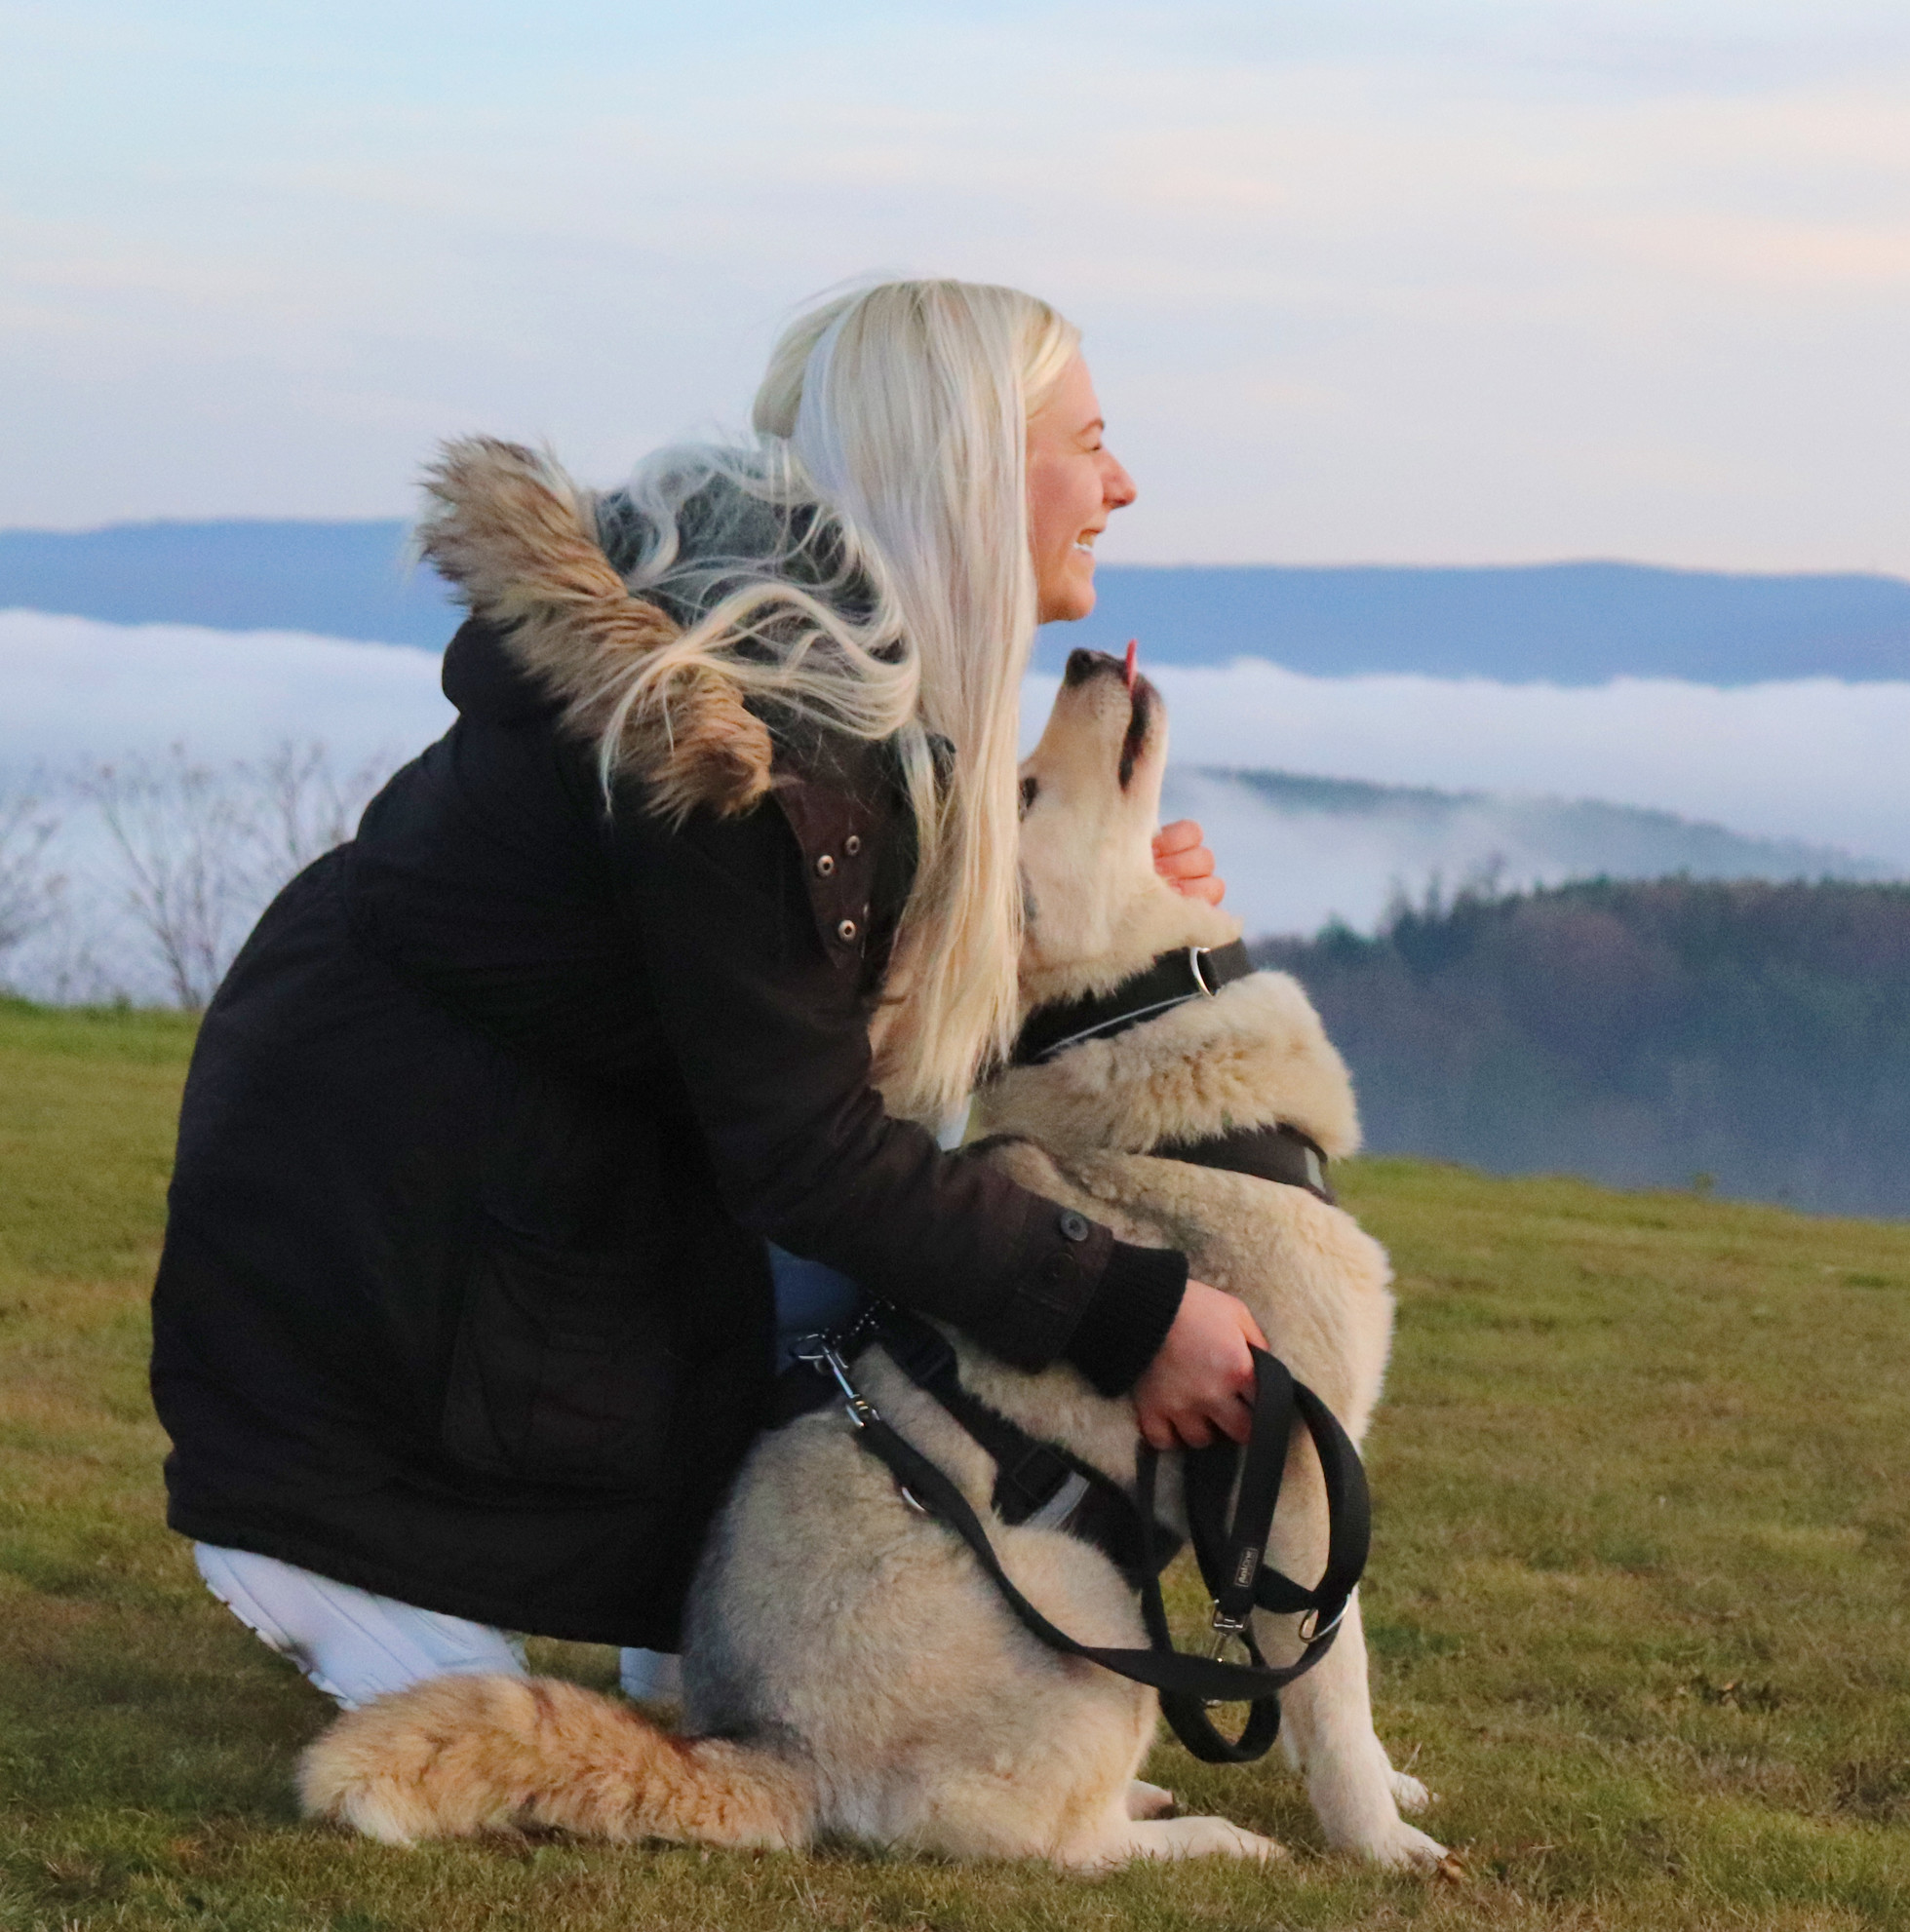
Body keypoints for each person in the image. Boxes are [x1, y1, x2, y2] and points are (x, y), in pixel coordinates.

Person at [151, 278, 1266, 1712]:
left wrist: (1129, 909)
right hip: (391, 1225)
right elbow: (806, 1149)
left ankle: (703, 1592)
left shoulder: (830, 697)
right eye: (1089, 441)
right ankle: (330, 1552)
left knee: (932, 1226)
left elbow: (814, 1032)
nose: (1120, 484)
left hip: (492, 1179)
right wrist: (1129, 1310)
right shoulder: (751, 745)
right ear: (973, 469)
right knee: (926, 1243)